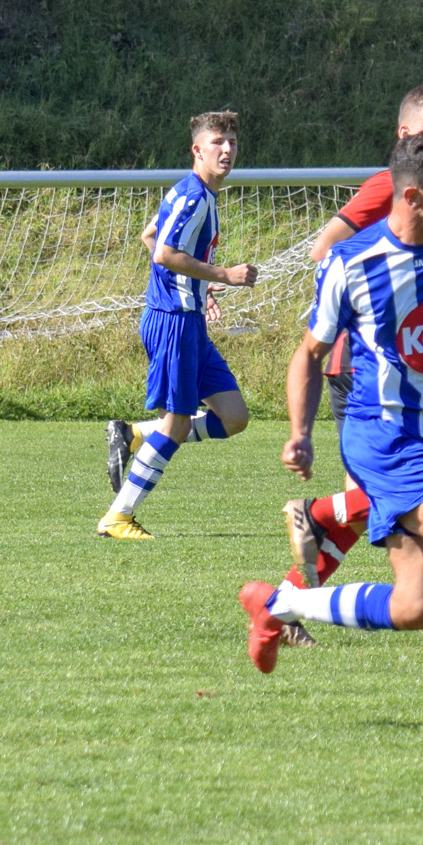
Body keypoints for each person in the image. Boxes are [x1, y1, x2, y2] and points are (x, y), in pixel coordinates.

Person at [237, 128, 423, 740]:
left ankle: (279, 605)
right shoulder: (353, 262)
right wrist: (299, 431)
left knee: (413, 607)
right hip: (379, 434)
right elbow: (309, 353)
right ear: (411, 196)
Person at [276, 85, 423, 599]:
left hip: (414, 366)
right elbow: (326, 249)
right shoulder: (389, 185)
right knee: (414, 490)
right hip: (363, 362)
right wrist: (372, 305)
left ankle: (290, 593)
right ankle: (306, 555)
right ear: (405, 134)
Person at [97, 111, 256, 540]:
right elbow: (164, 253)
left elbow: (150, 234)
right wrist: (223, 275)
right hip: (173, 324)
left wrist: (198, 288)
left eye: (232, 142)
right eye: (217, 142)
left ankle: (133, 433)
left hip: (189, 321)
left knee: (234, 417)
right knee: (177, 424)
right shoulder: (195, 197)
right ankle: (118, 517)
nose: (227, 149)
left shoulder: (194, 191)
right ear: (197, 150)